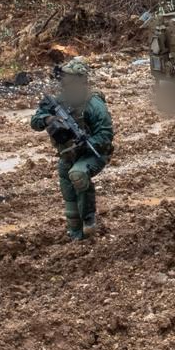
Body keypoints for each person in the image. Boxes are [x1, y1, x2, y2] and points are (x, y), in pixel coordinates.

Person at [30, 57, 114, 240]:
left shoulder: (93, 103)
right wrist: (49, 119)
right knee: (68, 194)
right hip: (68, 155)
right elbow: (35, 122)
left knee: (78, 175)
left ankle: (89, 220)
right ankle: (75, 234)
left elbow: (106, 135)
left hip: (92, 153)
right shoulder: (59, 101)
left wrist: (87, 141)